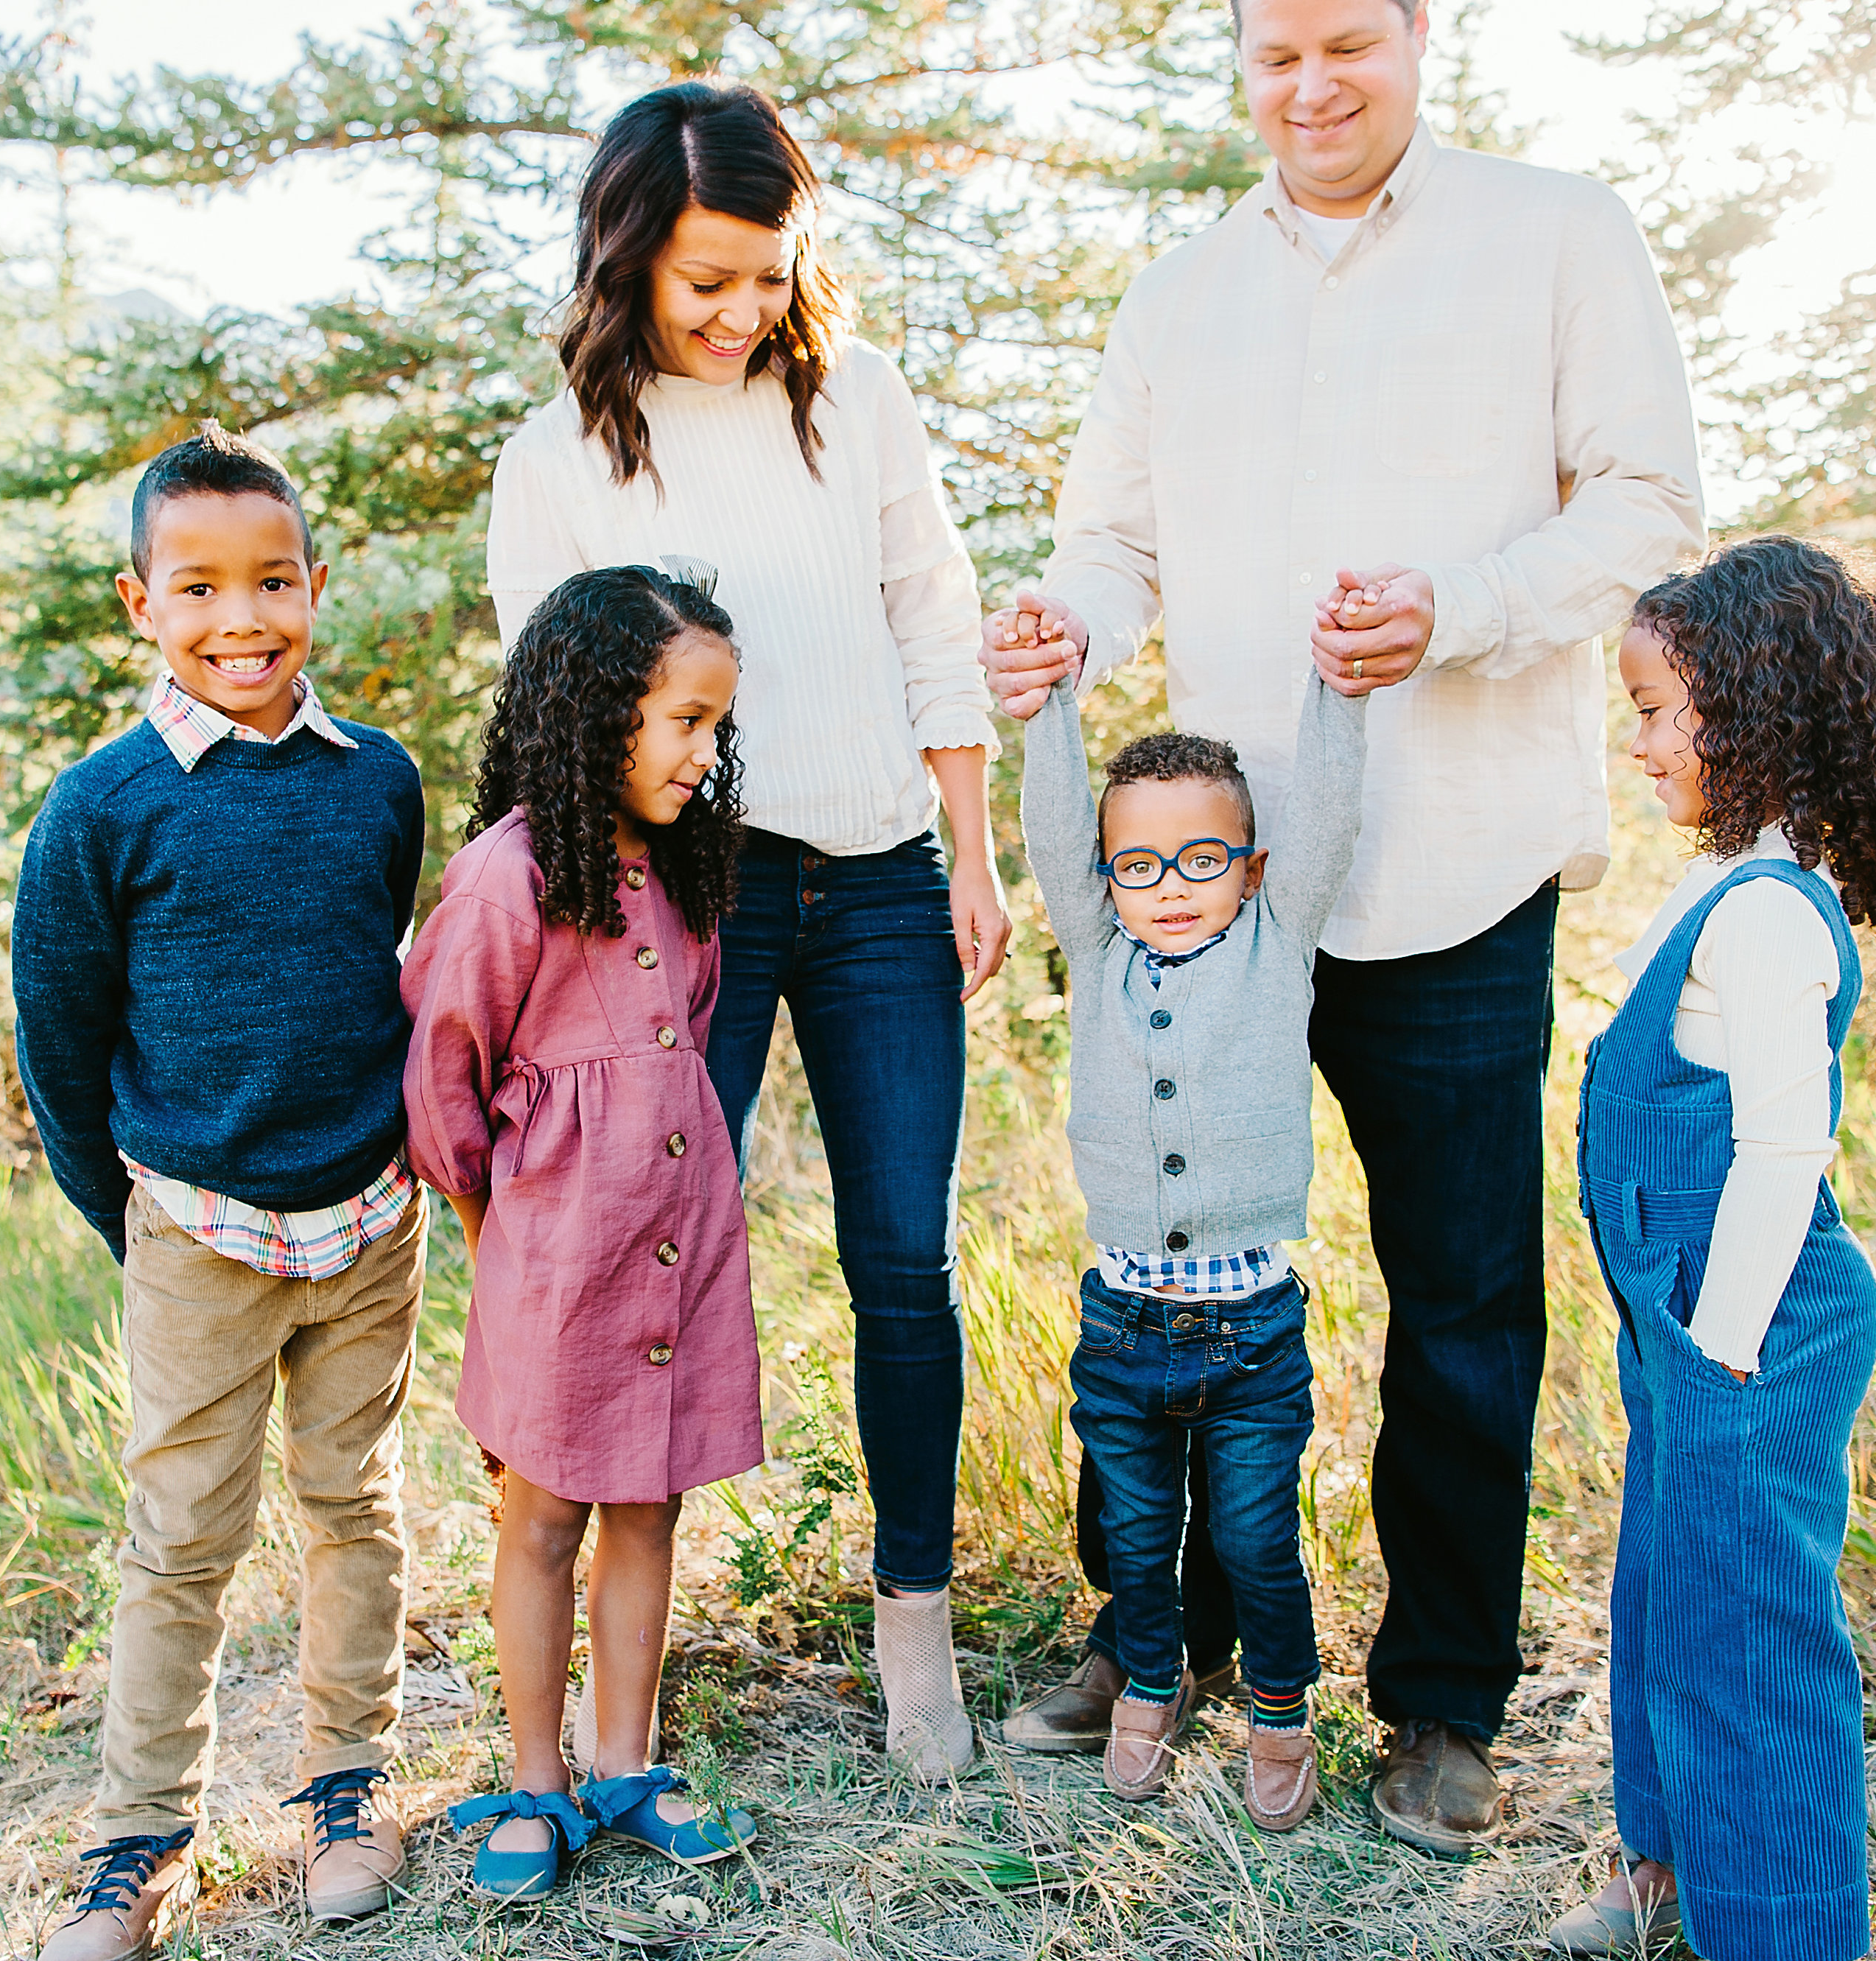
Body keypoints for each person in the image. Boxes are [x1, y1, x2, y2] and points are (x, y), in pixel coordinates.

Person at [983, 0, 1706, 1855]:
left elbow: (1643, 505)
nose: (1309, 87)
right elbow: (1108, 541)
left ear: (1412, 41)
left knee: (1461, 1298)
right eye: (1273, 56)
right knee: (1160, 1262)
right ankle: (1160, 1634)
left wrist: (1456, 605)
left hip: (1454, 859)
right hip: (1214, 892)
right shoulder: (1175, 294)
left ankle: (1442, 1697)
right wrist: (1053, 622)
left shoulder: (1556, 231)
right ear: (1239, 67)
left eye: (1344, 47)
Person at [486, 80, 1005, 1784]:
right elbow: (555, 717)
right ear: (625, 257)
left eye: (765, 277)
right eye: (701, 280)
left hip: (870, 880)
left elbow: (931, 607)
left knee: (898, 1258)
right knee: (635, 1262)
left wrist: (973, 853)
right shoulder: (561, 457)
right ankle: (627, 1662)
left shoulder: (852, 401)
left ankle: (910, 1621)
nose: (734, 314)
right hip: (680, 912)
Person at [13, 423, 428, 1958]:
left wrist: (387, 1151)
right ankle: (135, 1842)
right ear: (141, 603)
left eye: (271, 582)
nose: (239, 618)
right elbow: (59, 1038)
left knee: (353, 1508)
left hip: (367, 1216)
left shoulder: (376, 780)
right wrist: (126, 1212)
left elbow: (376, 965)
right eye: (198, 588)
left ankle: (345, 1786)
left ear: (315, 586)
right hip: (193, 1221)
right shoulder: (103, 806)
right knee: (180, 1533)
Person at [1549, 537, 1876, 1960]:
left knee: (1751, 1638)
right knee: (1664, 1593)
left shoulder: (1770, 916)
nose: (1637, 742)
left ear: (1754, 706)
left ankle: (1781, 1925)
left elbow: (1782, 1150)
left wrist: (1720, 1348)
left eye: (1653, 708)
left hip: (1746, 1323)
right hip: (1690, 1317)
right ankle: (1667, 1873)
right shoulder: (1727, 887)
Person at [403, 565, 766, 1903]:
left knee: (648, 1504)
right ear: (597, 708)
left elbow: (692, 1041)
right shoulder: (513, 877)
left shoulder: (681, 871)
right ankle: (536, 1778)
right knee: (545, 1512)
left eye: (717, 726)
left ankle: (626, 1761)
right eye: (682, 720)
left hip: (677, 1239)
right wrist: (506, 1226)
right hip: (554, 1256)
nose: (704, 752)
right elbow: (445, 1078)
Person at [1016, 645, 1370, 1830]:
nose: (1172, 885)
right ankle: (1151, 1691)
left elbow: (1326, 809)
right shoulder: (1101, 952)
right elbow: (1054, 826)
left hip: (1252, 1334)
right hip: (1123, 1324)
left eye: (1203, 860)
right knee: (1134, 1536)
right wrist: (1050, 704)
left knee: (1257, 1537)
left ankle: (1278, 1711)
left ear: (1251, 866)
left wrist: (1338, 688)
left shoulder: (1277, 948)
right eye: (1141, 865)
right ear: (1107, 878)